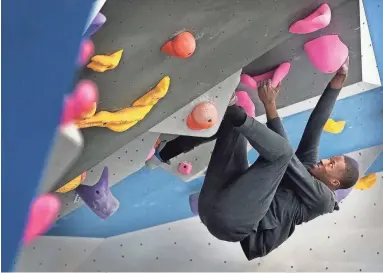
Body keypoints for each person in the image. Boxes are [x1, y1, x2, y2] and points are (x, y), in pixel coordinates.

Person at [148, 57, 359, 260]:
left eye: (331, 165)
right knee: (235, 129)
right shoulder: (309, 166)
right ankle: (163, 153)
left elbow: (285, 157)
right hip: (214, 201)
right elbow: (316, 125)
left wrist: (270, 106)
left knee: (281, 153)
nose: (323, 161)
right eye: (329, 159)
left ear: (334, 182)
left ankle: (233, 111)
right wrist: (337, 82)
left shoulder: (323, 201)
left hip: (231, 222)